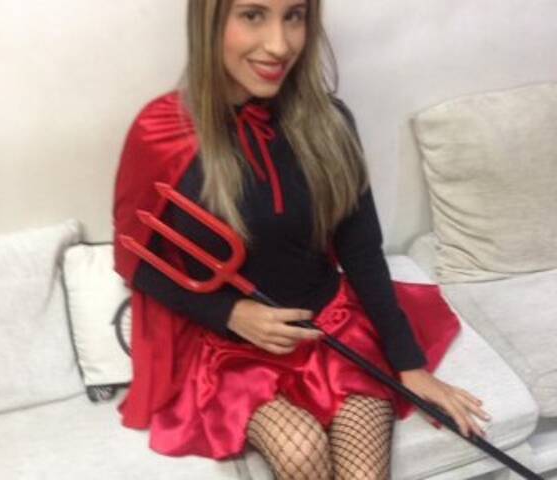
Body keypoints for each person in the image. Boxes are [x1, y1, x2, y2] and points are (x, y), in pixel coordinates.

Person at [113, 1, 491, 478]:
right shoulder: (161, 132)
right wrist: (228, 313)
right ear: (209, 20)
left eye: (294, 16)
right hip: (233, 349)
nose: (279, 44)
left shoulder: (329, 123)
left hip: (332, 327)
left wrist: (409, 364)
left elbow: (361, 252)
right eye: (253, 15)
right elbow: (136, 261)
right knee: (300, 450)